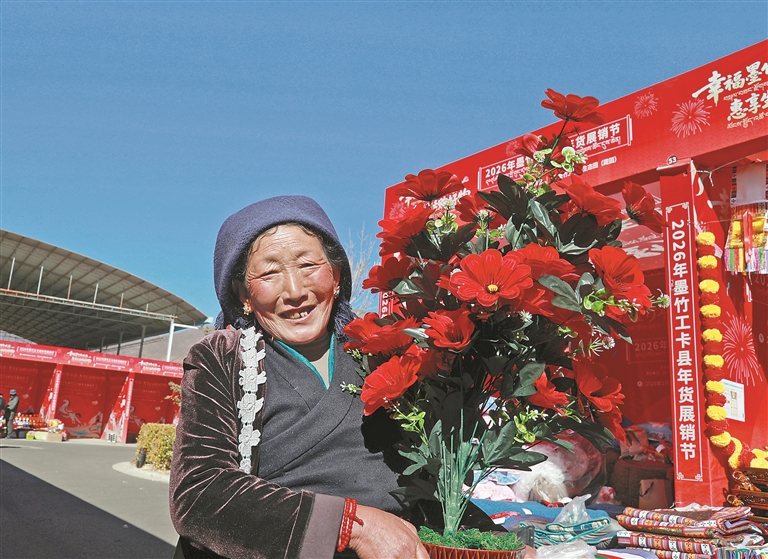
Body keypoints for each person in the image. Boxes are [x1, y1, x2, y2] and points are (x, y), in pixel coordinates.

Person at [170, 196, 429, 559]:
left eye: (308, 265)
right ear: (244, 294)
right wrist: (352, 527)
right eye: (269, 273)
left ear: (336, 276)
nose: (294, 291)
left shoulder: (381, 352)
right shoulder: (223, 357)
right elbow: (199, 494)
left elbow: (427, 479)